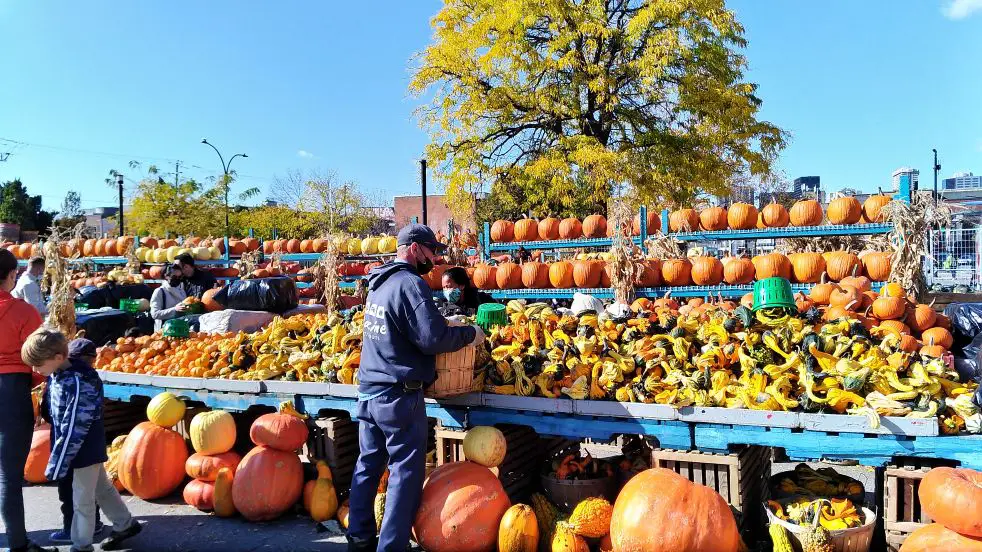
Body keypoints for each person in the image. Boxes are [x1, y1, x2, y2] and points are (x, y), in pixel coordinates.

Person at [347, 224, 484, 552]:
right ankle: (391, 546)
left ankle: (360, 537)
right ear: (415, 249)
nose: (434, 259)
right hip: (398, 395)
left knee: (367, 465)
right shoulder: (411, 284)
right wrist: (470, 335)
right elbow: (432, 338)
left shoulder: (379, 282)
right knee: (404, 475)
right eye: (432, 251)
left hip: (369, 389)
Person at [22, 331, 142, 552]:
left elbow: (75, 426)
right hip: (79, 447)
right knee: (102, 489)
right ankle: (125, 524)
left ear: (58, 357)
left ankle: (81, 545)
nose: (35, 370)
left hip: (82, 449)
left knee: (82, 501)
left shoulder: (78, 381)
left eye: (38, 364)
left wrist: (58, 462)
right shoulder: (59, 374)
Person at [0, 249, 52, 552]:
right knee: (9, 476)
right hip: (11, 392)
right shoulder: (24, 312)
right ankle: (18, 543)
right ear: (11, 276)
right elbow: (37, 361)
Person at [41, 340, 105, 545]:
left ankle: (77, 536)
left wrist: (57, 463)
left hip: (70, 445)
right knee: (94, 490)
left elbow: (64, 419)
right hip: (84, 445)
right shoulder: (87, 377)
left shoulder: (71, 380)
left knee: (74, 494)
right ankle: (119, 523)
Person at [150, 264, 188, 331]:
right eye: (174, 277)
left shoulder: (182, 290)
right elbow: (154, 314)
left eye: (180, 277)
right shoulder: (159, 291)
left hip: (180, 329)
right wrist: (174, 310)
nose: (177, 279)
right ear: (166, 276)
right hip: (164, 330)